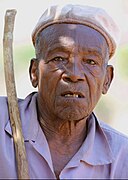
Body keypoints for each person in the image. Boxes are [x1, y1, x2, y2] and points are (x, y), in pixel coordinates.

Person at [0, 4, 128, 179]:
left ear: (107, 80)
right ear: (34, 72)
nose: (74, 75)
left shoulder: (122, 158)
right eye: (59, 58)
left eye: (90, 62)